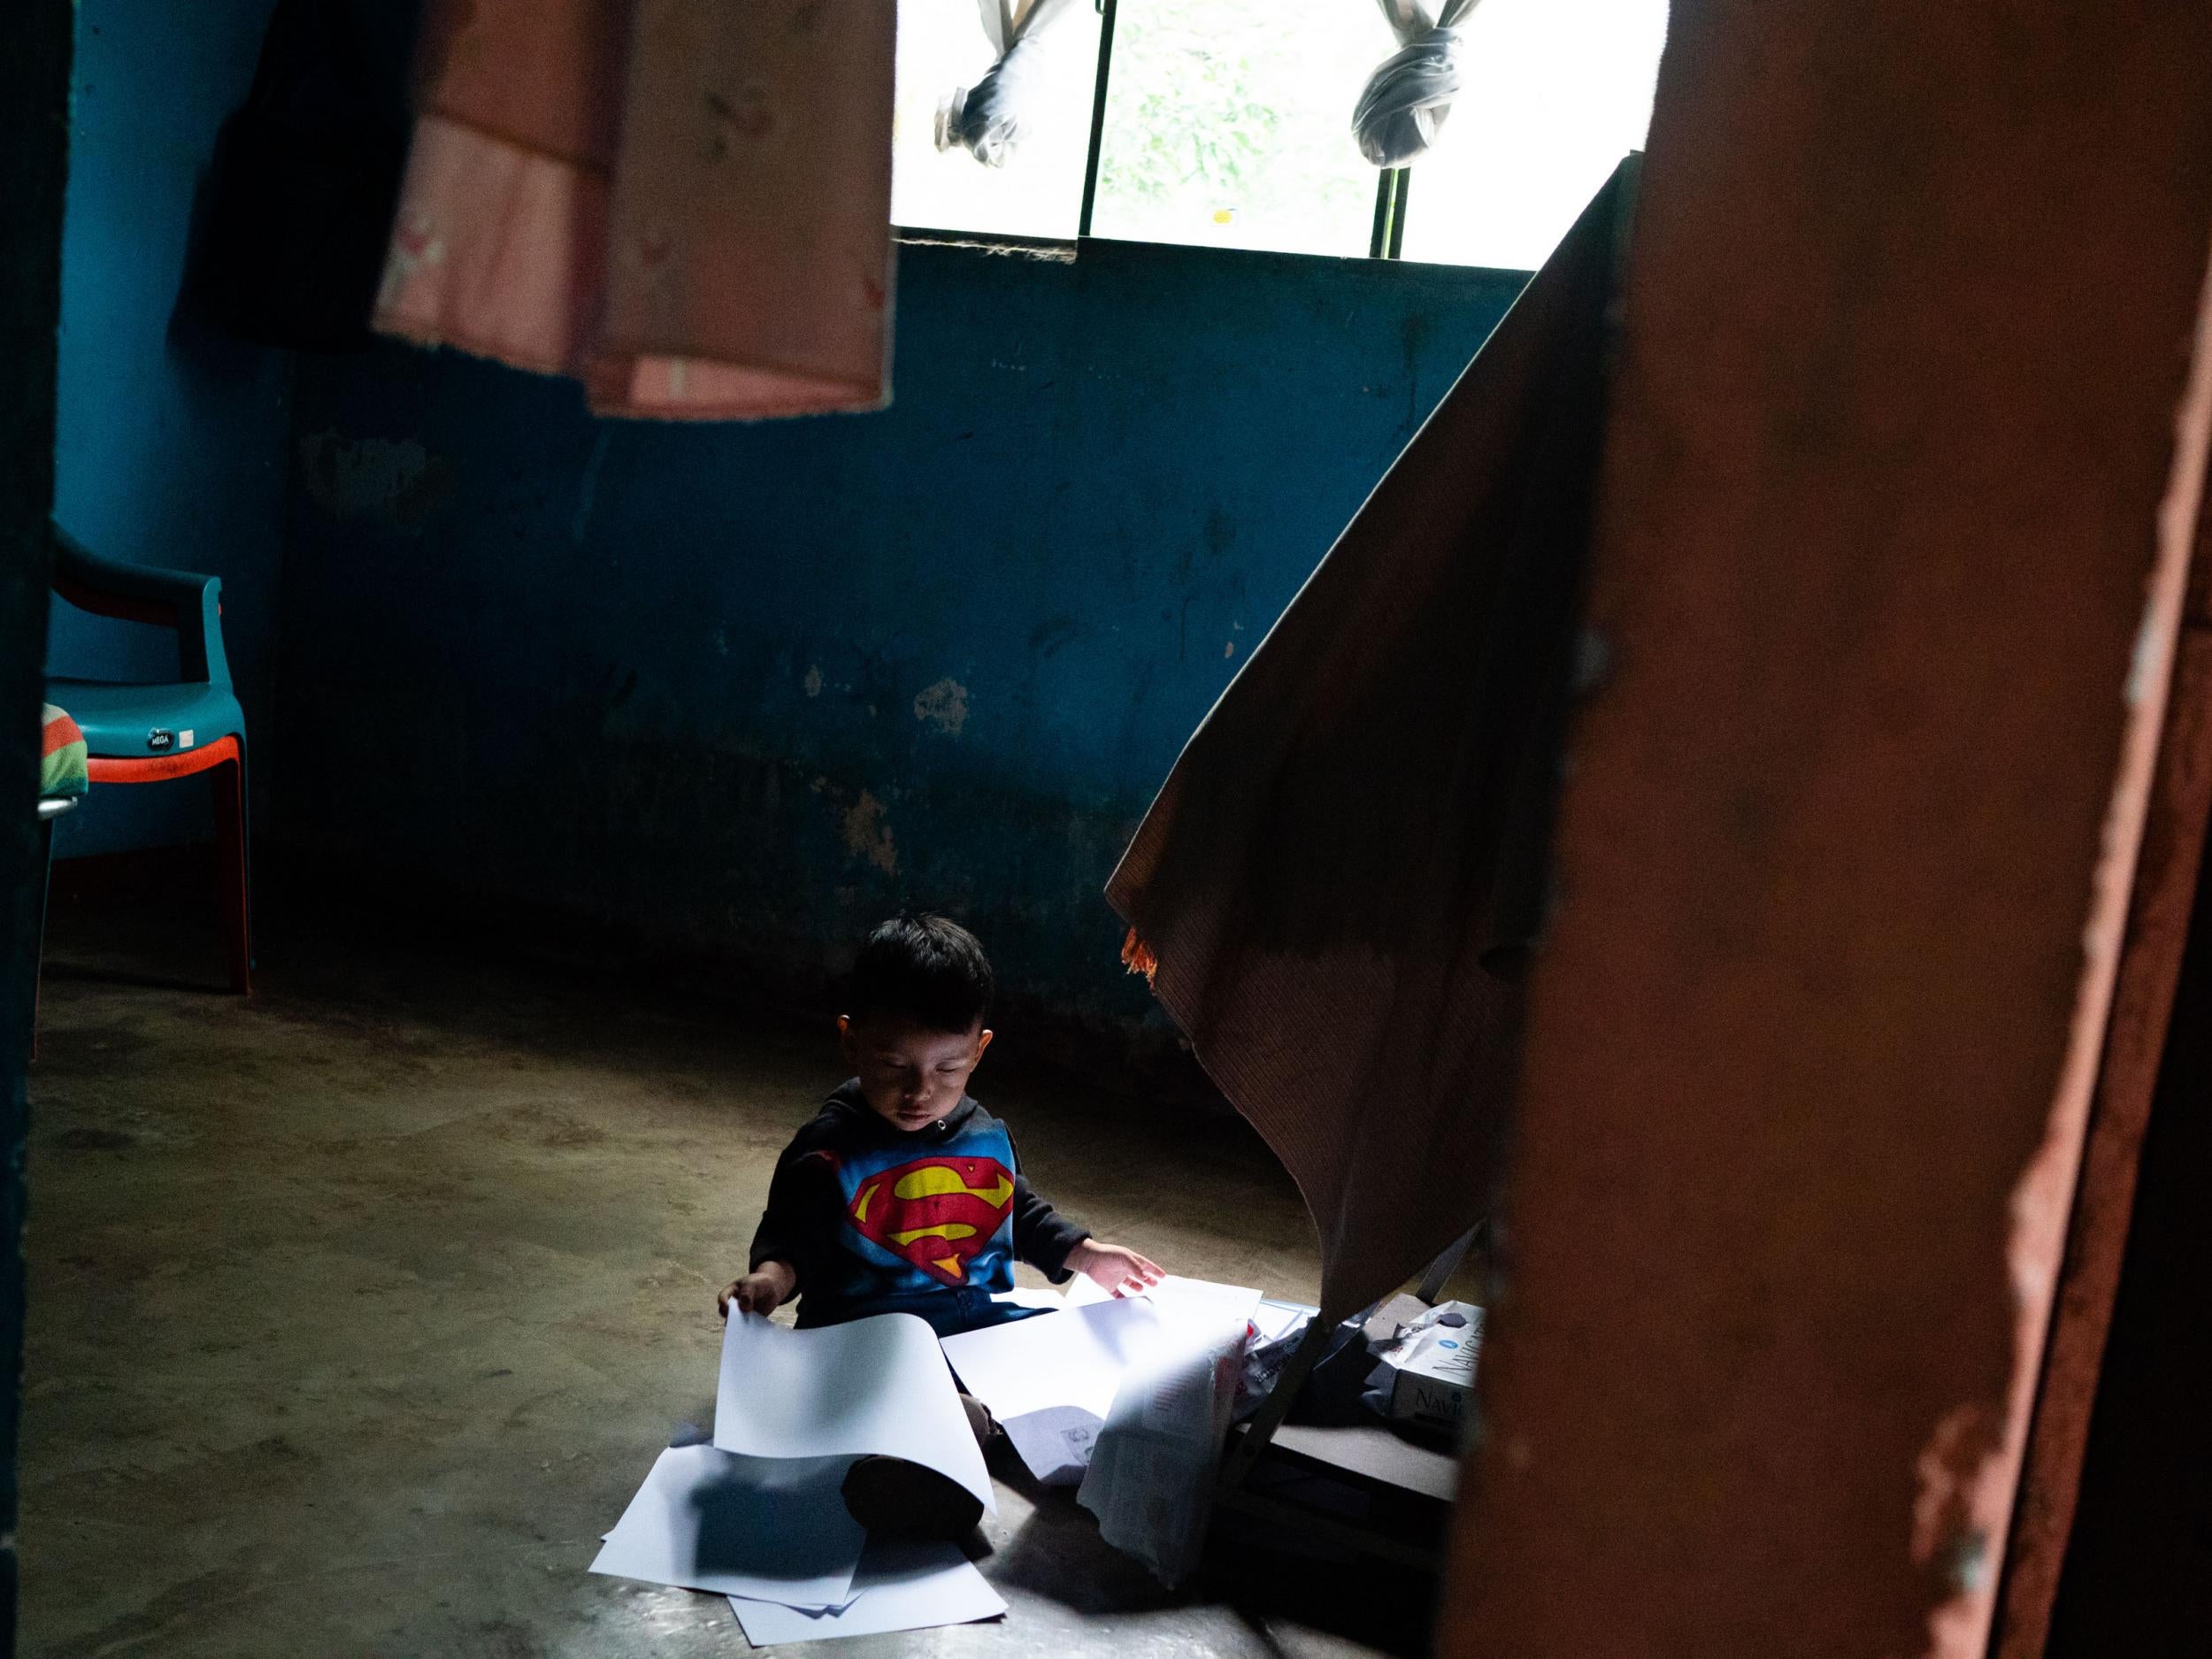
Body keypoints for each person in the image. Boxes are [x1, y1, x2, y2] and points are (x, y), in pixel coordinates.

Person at [718, 912, 1165, 1534]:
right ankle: (920, 1463)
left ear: (979, 1050)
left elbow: (1018, 1211)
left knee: (1088, 1370)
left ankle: (972, 1424)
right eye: (895, 1066)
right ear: (851, 1043)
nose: (920, 1091)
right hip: (867, 1334)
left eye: (947, 1069)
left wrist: (1087, 1255)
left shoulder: (985, 1135)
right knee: (874, 1398)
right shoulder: (829, 1149)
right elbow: (793, 1237)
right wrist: (767, 1282)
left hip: (970, 1321)